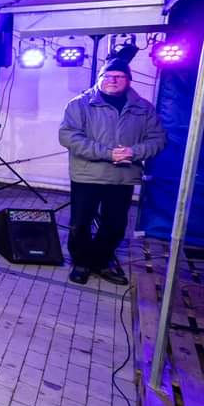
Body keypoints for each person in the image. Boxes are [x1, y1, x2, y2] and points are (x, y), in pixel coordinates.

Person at [59, 58, 165, 285]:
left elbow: (158, 139)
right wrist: (108, 153)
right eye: (107, 76)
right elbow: (69, 136)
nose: (112, 80)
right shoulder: (80, 105)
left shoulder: (144, 108)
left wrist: (134, 152)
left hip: (122, 177)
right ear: (99, 78)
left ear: (129, 80)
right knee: (80, 223)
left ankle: (100, 261)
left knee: (115, 225)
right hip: (87, 175)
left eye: (119, 77)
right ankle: (81, 262)